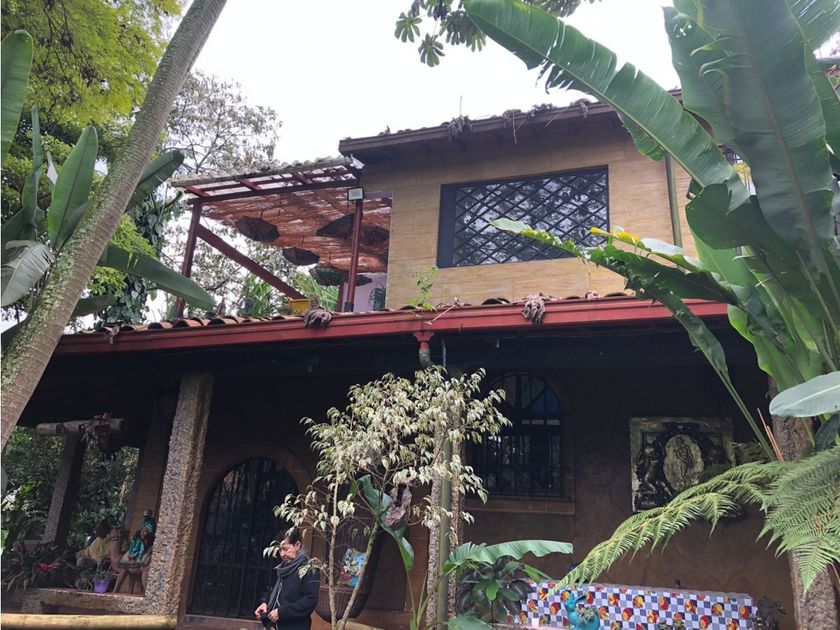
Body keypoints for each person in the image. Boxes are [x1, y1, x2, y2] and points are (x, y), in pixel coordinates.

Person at [254, 527, 319, 630]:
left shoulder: (309, 569)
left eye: (285, 549)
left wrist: (282, 612)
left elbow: (310, 601)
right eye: (280, 550)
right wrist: (265, 603)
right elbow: (274, 592)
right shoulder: (282, 568)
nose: (282, 554)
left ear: (297, 545)